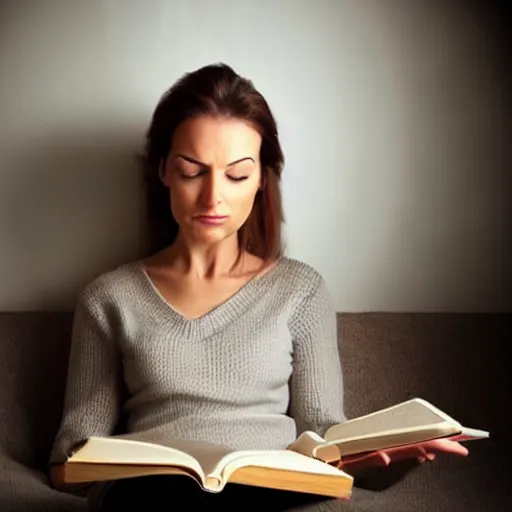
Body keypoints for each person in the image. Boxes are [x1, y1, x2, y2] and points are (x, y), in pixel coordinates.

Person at [48, 63, 468, 511]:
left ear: (262, 180)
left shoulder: (300, 291)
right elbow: (68, 460)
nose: (214, 198)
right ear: (164, 170)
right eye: (193, 171)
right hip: (153, 497)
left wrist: (387, 458)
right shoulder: (109, 299)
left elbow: (325, 438)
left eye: (237, 174)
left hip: (269, 493)